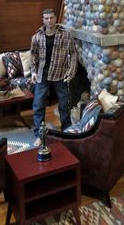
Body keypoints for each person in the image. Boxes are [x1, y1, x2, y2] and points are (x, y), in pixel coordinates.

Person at [30, 8, 78, 146]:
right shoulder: (37, 37)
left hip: (60, 75)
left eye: (51, 17)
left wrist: (71, 70)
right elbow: (33, 55)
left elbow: (74, 53)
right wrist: (33, 71)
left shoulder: (65, 35)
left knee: (64, 104)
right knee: (38, 105)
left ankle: (66, 130)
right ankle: (40, 135)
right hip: (42, 75)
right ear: (43, 20)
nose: (49, 20)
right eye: (46, 18)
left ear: (56, 18)